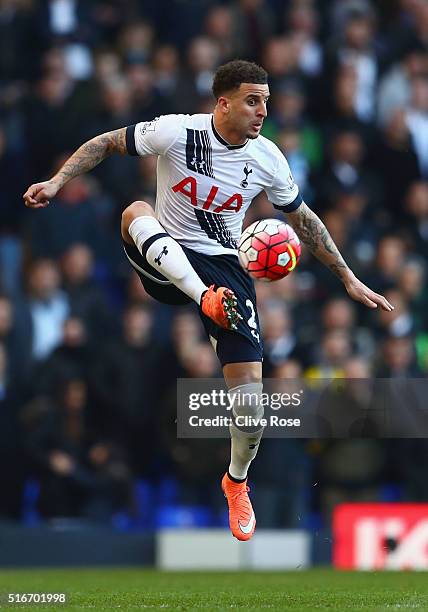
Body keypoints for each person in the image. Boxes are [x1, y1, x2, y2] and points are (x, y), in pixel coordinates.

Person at [23, 60, 393, 541]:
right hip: (165, 255)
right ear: (223, 102)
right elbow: (105, 143)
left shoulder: (268, 158)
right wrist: (57, 182)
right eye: (252, 100)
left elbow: (304, 220)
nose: (263, 110)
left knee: (251, 409)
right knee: (134, 210)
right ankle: (205, 298)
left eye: (266, 100)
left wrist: (347, 276)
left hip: (226, 265)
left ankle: (236, 481)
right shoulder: (176, 132)